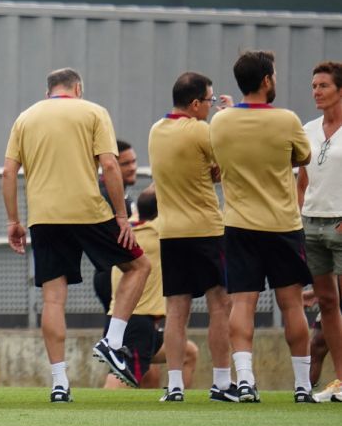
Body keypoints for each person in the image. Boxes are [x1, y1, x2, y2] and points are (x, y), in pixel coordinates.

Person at [3, 67, 152, 402]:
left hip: (44, 217)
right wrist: (121, 216)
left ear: (48, 92)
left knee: (53, 299)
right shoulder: (93, 112)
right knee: (139, 267)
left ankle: (59, 382)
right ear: (77, 88)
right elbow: (111, 166)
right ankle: (113, 341)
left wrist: (14, 220)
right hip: (88, 211)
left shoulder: (26, 118)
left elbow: (9, 171)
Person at [210, 50, 315, 403]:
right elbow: (303, 157)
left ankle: (246, 380)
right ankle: (302, 385)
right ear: (267, 80)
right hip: (283, 223)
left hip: (239, 225)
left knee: (242, 303)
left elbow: (216, 160)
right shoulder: (287, 120)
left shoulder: (220, 122)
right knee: (292, 304)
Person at [147, 71, 237, 402]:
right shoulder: (202, 130)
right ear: (196, 103)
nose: (211, 106)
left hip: (170, 231)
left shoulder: (156, 131)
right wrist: (227, 114)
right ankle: (222, 383)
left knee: (175, 310)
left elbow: (197, 169)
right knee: (219, 304)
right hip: (206, 228)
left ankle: (174, 386)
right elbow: (227, 159)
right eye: (210, 101)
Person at [102, 188, 199, 396]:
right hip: (138, 323)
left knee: (188, 352)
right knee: (122, 378)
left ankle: (177, 400)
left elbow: (151, 200)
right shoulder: (158, 233)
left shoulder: (130, 228)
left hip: (123, 320)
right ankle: (95, 415)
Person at [296, 61, 342, 402]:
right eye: (314, 85)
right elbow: (303, 181)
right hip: (312, 225)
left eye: (323, 85)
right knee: (327, 302)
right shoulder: (308, 129)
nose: (316, 91)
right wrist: (299, 218)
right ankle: (341, 380)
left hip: (340, 223)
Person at [93, 140, 139, 312]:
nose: (133, 168)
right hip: (114, 274)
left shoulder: (122, 194)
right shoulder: (106, 196)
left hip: (122, 272)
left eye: (134, 161)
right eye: (125, 164)